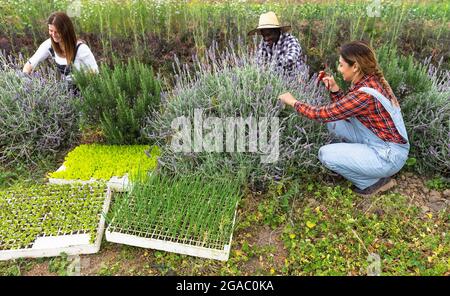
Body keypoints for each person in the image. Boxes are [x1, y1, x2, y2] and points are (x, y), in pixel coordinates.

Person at [278, 41, 410, 197]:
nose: (339, 69)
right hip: (380, 142)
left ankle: (374, 183)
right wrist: (334, 89)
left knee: (325, 154)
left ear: (355, 67)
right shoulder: (368, 81)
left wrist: (293, 102)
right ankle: (360, 162)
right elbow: (346, 110)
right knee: (333, 122)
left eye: (341, 65)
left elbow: (321, 114)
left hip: (388, 156)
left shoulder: (364, 94)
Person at [23, 12, 98, 89]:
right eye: (51, 30)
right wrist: (25, 79)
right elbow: (30, 63)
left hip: (84, 93)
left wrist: (80, 80)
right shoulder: (49, 44)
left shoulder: (80, 48)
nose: (53, 34)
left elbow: (95, 72)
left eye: (57, 31)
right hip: (64, 94)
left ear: (66, 30)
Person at [248, 11, 305, 76]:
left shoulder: (291, 40)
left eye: (268, 34)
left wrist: (270, 65)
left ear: (277, 31)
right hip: (274, 80)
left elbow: (291, 59)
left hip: (295, 79)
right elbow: (258, 61)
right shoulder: (265, 42)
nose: (266, 39)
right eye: (264, 36)